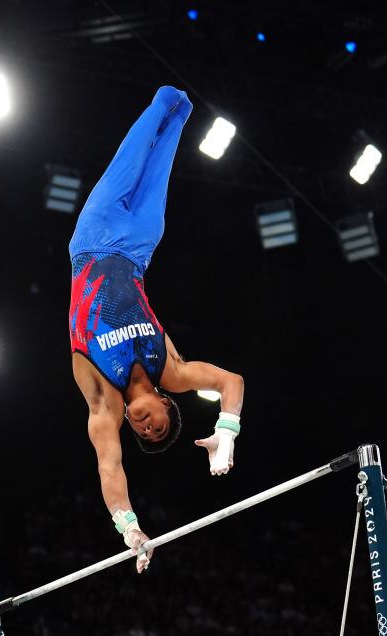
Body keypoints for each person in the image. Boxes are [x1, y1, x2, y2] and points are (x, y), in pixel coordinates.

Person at [68, 86, 245, 573]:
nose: (146, 426)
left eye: (143, 430)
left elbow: (110, 466)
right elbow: (232, 381)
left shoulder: (104, 400)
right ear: (167, 404)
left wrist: (130, 528)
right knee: (168, 143)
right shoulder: (173, 369)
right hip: (141, 248)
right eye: (158, 424)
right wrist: (225, 433)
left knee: (134, 152)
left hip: (93, 239)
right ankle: (179, 108)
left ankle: (162, 103)